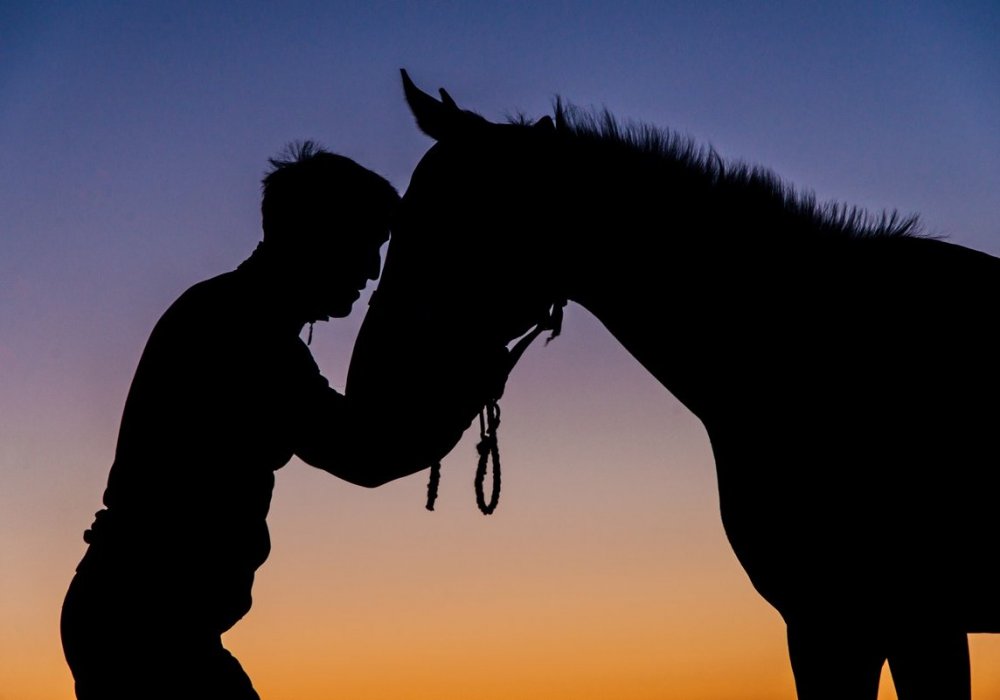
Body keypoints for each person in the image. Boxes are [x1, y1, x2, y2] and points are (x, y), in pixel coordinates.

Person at [61, 142, 488, 699]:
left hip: (136, 621)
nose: (374, 268)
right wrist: (470, 386)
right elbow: (365, 454)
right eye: (366, 243)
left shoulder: (233, 314)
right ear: (317, 235)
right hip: (147, 630)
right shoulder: (246, 332)